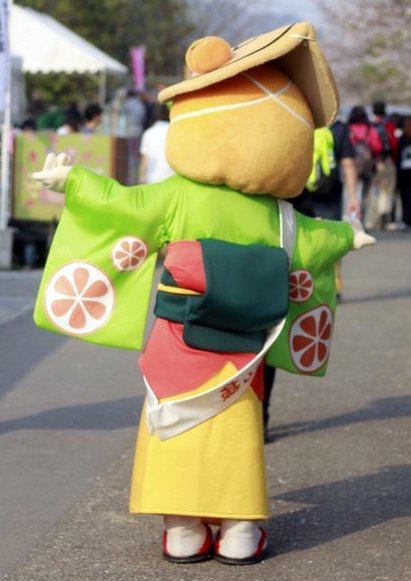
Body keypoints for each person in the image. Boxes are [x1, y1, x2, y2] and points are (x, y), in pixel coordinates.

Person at [33, 24, 376, 566]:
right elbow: (315, 240)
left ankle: (183, 530)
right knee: (236, 429)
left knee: (173, 422)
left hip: (180, 339)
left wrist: (74, 182)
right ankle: (240, 529)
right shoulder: (279, 216)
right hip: (244, 346)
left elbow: (121, 205)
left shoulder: (178, 195)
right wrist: (347, 236)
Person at [347, 105, 383, 229]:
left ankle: (349, 219)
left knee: (350, 192)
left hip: (351, 165)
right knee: (365, 194)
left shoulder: (348, 129)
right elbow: (377, 147)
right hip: (367, 167)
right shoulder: (370, 129)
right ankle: (361, 220)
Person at [370, 101, 398, 230]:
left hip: (372, 163)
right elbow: (394, 144)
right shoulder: (389, 126)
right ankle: (383, 213)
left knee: (372, 190)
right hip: (386, 161)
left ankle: (371, 219)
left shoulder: (370, 125)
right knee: (386, 190)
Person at [138, 104, 174, 184]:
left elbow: (144, 159)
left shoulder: (148, 133)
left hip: (152, 180)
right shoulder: (174, 132)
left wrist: (141, 178)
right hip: (172, 179)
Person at [397, 116, 411, 229]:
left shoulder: (402, 139)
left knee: (404, 196)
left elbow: (397, 155)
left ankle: (405, 219)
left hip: (403, 170)